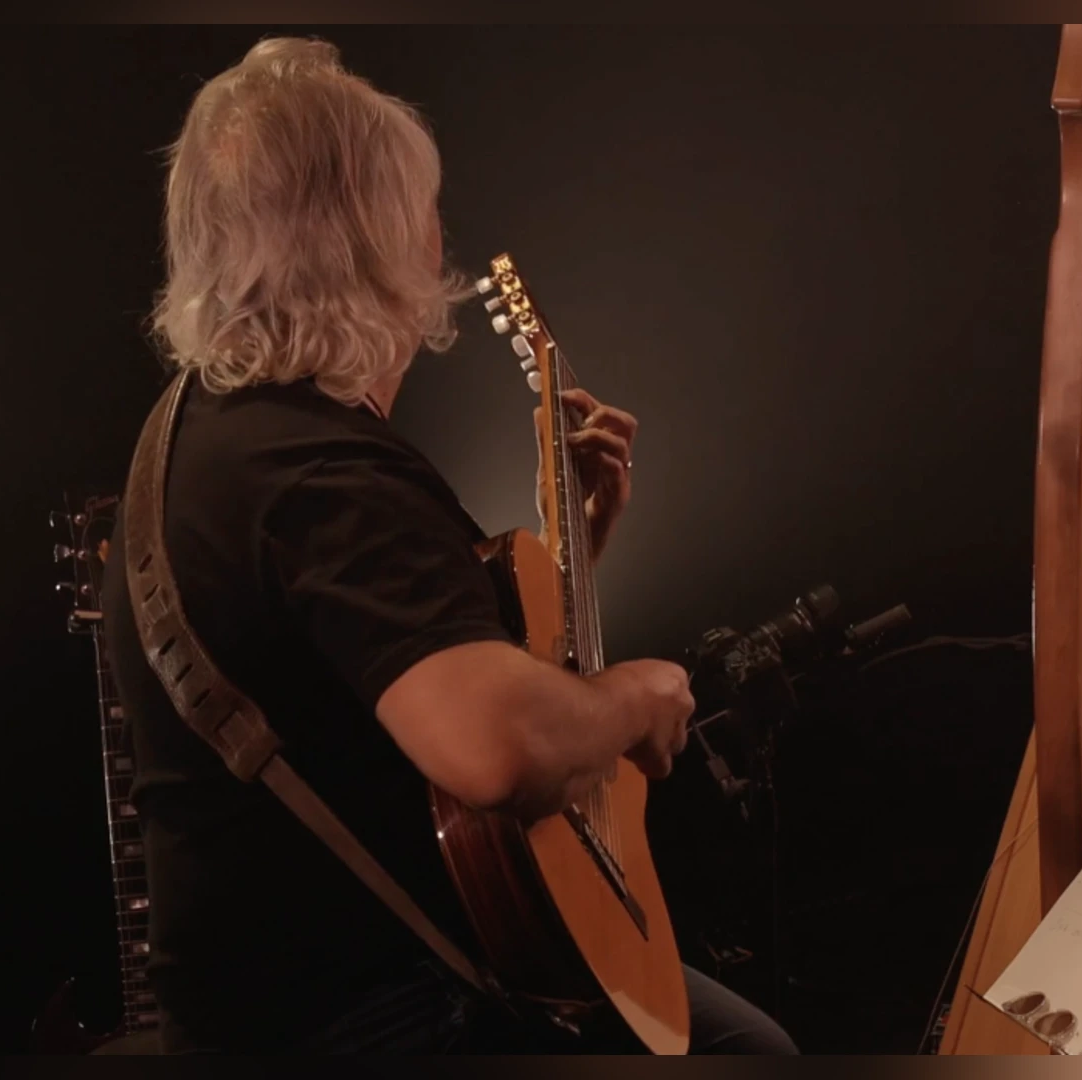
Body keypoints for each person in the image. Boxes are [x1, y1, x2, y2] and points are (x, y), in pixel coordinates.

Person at [96, 36, 797, 1056]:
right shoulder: (322, 475)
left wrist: (576, 544)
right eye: (424, 209)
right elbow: (495, 748)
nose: (439, 239)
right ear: (374, 238)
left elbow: (384, 684)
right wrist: (638, 697)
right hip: (371, 1016)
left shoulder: (203, 434)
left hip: (263, 1013)